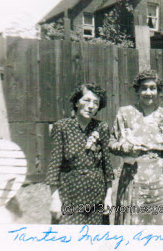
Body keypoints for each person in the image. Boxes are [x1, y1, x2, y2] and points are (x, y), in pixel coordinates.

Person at [109, 70, 163, 225]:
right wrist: (124, 148)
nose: (148, 92)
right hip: (132, 177)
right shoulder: (125, 113)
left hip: (160, 180)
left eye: (152, 88)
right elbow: (111, 142)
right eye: (144, 88)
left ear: (158, 91)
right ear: (137, 90)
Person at [46, 83, 114, 225]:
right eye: (87, 100)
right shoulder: (62, 127)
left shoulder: (101, 127)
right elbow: (54, 166)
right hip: (69, 197)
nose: (91, 106)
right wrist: (55, 199)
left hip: (96, 198)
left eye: (96, 103)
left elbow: (107, 167)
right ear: (77, 102)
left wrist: (108, 196)